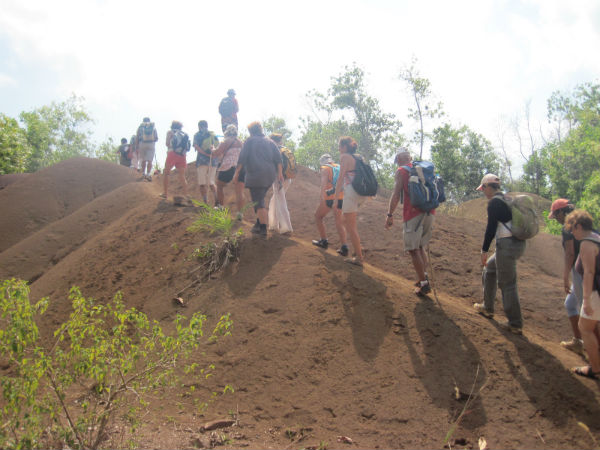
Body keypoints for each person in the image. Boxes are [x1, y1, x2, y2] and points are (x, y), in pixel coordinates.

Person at [473, 174, 526, 335]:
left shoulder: (495, 202)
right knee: (489, 269)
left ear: (488, 187)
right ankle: (487, 307)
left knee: (507, 283)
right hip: (516, 244)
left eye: (483, 188)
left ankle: (515, 323)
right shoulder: (507, 199)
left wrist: (483, 250)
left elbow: (490, 228)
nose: (483, 192)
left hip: (507, 245)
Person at [385, 150, 435, 295]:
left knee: (413, 250)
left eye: (397, 160)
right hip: (430, 212)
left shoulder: (402, 171)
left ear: (399, 159)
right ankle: (423, 277)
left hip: (413, 213)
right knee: (420, 247)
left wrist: (389, 214)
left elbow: (395, 195)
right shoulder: (423, 168)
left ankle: (424, 284)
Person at [565, 209, 600, 379]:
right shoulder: (597, 238)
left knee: (584, 328)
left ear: (578, 226)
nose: (571, 233)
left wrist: (586, 300)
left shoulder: (586, 243)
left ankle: (596, 369)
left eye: (572, 228)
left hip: (595, 293)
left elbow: (589, 273)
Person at [233, 121, 283, 238]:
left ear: (251, 131)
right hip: (269, 175)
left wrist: (236, 173)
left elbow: (242, 158)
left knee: (259, 201)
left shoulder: (249, 141)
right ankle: (258, 223)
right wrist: (279, 174)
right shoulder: (270, 142)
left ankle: (263, 228)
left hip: (256, 174)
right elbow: (278, 159)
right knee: (258, 197)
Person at [549, 199, 585, 354]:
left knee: (588, 311)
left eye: (556, 215)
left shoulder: (568, 227)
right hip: (590, 268)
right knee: (571, 304)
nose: (556, 219)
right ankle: (578, 341)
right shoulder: (583, 222)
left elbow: (570, 253)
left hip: (584, 271)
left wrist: (565, 276)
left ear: (561, 212)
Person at [333, 136, 365, 266]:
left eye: (340, 146)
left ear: (345, 147)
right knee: (345, 221)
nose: (338, 149)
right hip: (361, 193)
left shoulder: (344, 157)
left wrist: (335, 199)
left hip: (351, 192)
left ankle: (359, 257)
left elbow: (340, 178)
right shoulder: (358, 157)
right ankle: (358, 249)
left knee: (351, 227)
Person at [312, 153, 348, 256]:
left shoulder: (325, 168)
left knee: (318, 216)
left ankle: (324, 240)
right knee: (339, 222)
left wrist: (321, 197)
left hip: (330, 198)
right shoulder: (339, 167)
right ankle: (344, 247)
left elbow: (323, 184)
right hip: (341, 197)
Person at [213, 124, 245, 218]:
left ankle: (221, 207)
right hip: (240, 167)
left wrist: (212, 149)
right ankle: (240, 213)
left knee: (219, 185)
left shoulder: (226, 141)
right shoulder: (241, 142)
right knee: (239, 191)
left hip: (228, 166)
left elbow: (216, 153)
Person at [267, 133, 293, 234]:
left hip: (279, 178)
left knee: (280, 201)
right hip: (288, 178)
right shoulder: (285, 149)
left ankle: (286, 227)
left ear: (272, 140)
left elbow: (277, 164)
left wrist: (279, 175)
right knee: (275, 199)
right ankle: (273, 224)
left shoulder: (275, 149)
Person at [161, 120, 190, 201]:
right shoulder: (184, 134)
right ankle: (186, 195)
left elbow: (167, 143)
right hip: (182, 155)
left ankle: (165, 193)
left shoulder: (170, 132)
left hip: (172, 153)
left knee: (166, 173)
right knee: (182, 176)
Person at [193, 120, 220, 205]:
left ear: (199, 126)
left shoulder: (197, 134)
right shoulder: (213, 134)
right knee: (211, 182)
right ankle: (216, 201)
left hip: (202, 161)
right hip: (213, 161)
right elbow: (218, 146)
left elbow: (196, 146)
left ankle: (205, 203)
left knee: (202, 183)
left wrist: (204, 154)